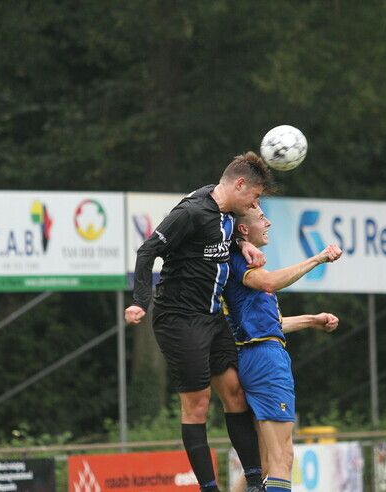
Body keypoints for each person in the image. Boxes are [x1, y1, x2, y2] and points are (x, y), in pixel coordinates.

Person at [124, 152, 273, 492]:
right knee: (198, 404)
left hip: (210, 316)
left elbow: (218, 238)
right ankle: (209, 488)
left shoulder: (225, 212)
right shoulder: (190, 212)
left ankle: (254, 482)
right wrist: (139, 302)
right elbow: (147, 251)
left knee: (236, 393)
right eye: (255, 195)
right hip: (179, 319)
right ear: (239, 184)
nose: (255, 203)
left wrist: (241, 244)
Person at [223, 206, 342, 492]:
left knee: (263, 464)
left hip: (254, 354)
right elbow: (271, 282)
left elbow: (270, 325)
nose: (268, 222)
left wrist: (312, 320)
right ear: (243, 229)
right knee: (282, 457)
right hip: (265, 360)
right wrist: (319, 257)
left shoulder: (239, 259)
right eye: (261, 218)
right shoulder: (241, 260)